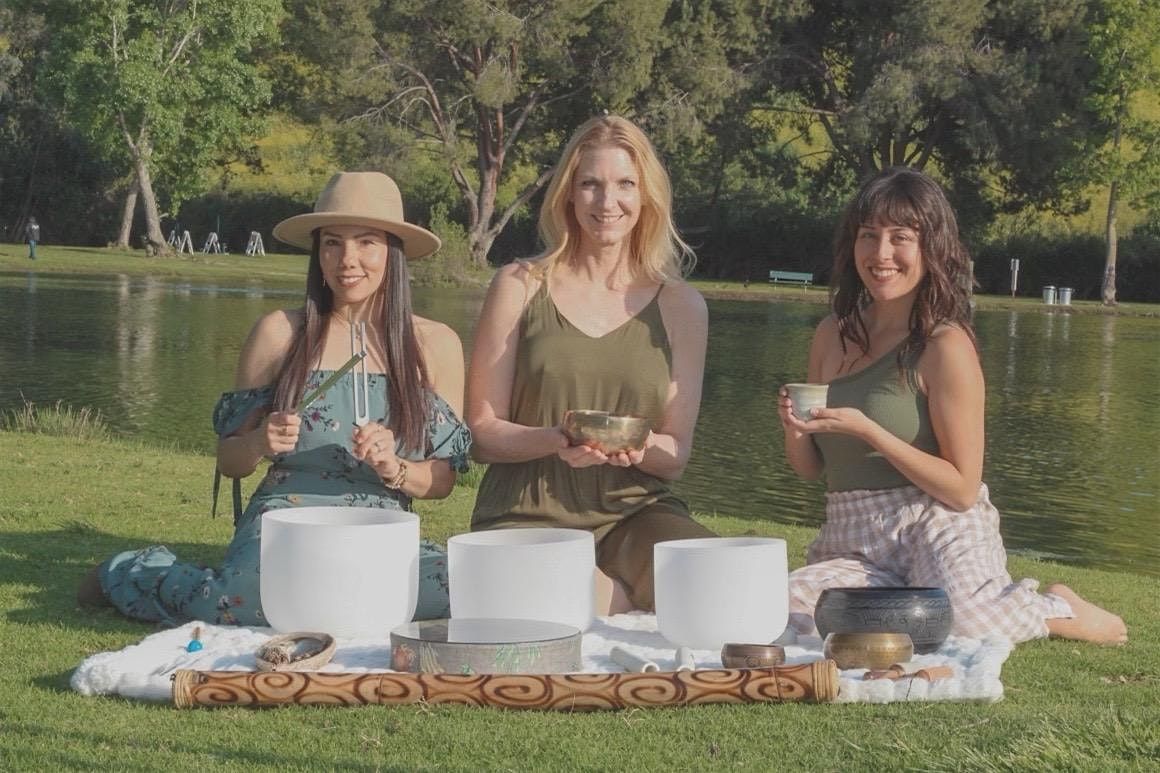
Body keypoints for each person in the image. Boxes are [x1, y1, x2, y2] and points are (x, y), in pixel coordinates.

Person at [79, 171, 471, 625]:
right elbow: (230, 461)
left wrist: (393, 467)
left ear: (393, 252)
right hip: (286, 519)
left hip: (380, 524)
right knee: (253, 600)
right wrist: (259, 443)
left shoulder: (434, 343)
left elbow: (441, 483)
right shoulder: (280, 333)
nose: (348, 259)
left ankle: (330, 597)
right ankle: (136, 571)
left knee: (461, 592)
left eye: (366, 243)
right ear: (317, 254)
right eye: (332, 243)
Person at [779, 167, 1127, 645]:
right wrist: (795, 430)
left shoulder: (944, 345)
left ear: (930, 248)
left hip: (937, 521)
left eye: (900, 237)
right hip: (853, 533)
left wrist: (872, 432)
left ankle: (1060, 609)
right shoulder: (830, 335)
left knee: (966, 622)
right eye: (868, 236)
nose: (881, 254)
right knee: (781, 610)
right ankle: (909, 608)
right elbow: (810, 470)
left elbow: (962, 490)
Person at [466, 115, 716, 615]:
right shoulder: (519, 285)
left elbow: (676, 454)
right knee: (558, 602)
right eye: (590, 185)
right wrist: (558, 439)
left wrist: (639, 446)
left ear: (647, 196)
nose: (608, 203)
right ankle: (619, 601)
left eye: (625, 184)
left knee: (713, 581)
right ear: (567, 195)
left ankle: (616, 599)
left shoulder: (682, 306)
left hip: (636, 513)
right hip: (525, 514)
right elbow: (482, 432)